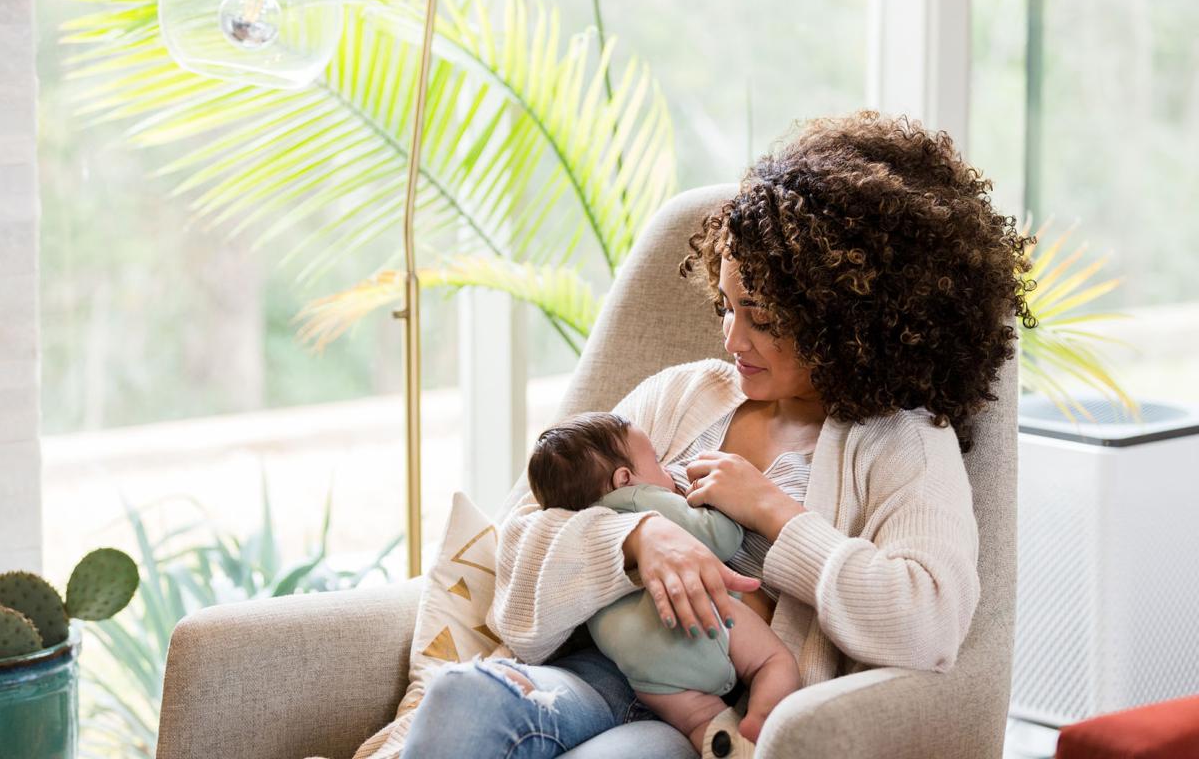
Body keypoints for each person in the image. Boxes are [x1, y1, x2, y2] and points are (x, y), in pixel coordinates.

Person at [402, 110, 1035, 758]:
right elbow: (519, 545)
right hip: (585, 672)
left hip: (709, 717)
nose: (732, 340)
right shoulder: (682, 395)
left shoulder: (901, 443)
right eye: (728, 307)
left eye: (760, 317)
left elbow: (928, 621)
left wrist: (773, 512)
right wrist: (637, 537)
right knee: (461, 695)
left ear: (844, 322)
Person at [526, 411, 801, 755]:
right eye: (656, 460)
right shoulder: (642, 499)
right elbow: (721, 538)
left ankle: (726, 745)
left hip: (640, 666)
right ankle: (762, 719)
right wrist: (718, 502)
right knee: (774, 662)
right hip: (700, 623)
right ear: (624, 477)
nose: (667, 469)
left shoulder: (577, 524)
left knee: (699, 721)